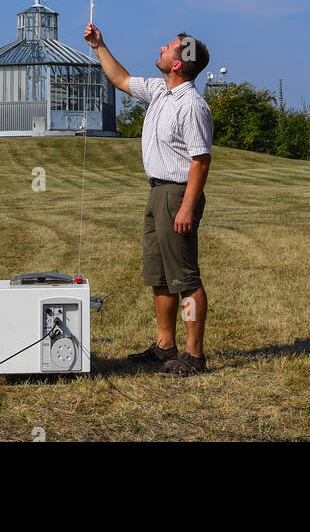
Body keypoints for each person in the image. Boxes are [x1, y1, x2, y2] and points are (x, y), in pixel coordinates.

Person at [84, 22, 213, 375]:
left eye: (168, 47)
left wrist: (187, 205)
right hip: (156, 191)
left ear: (177, 63)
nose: (161, 47)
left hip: (176, 194)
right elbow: (122, 80)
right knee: (159, 275)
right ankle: (165, 347)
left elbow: (201, 160)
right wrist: (99, 46)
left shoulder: (192, 106)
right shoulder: (159, 91)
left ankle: (194, 355)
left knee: (185, 277)